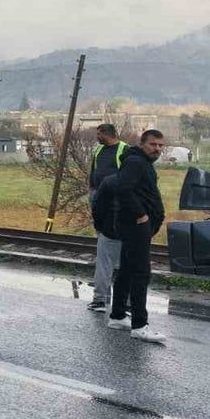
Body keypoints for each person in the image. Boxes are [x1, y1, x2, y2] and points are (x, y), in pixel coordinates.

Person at [107, 129, 167, 344]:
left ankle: (118, 315)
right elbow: (123, 189)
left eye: (160, 146)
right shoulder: (136, 162)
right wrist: (141, 215)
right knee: (141, 273)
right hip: (135, 224)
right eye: (153, 145)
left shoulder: (142, 162)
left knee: (127, 270)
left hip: (135, 224)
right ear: (143, 144)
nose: (157, 149)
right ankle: (140, 326)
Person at [87, 123, 127, 312]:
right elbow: (93, 172)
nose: (97, 137)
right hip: (99, 198)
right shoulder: (99, 150)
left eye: (99, 134)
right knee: (105, 248)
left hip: (115, 203)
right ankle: (105, 297)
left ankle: (102, 298)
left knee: (107, 254)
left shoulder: (123, 150)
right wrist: (92, 190)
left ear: (107, 134)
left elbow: (127, 176)